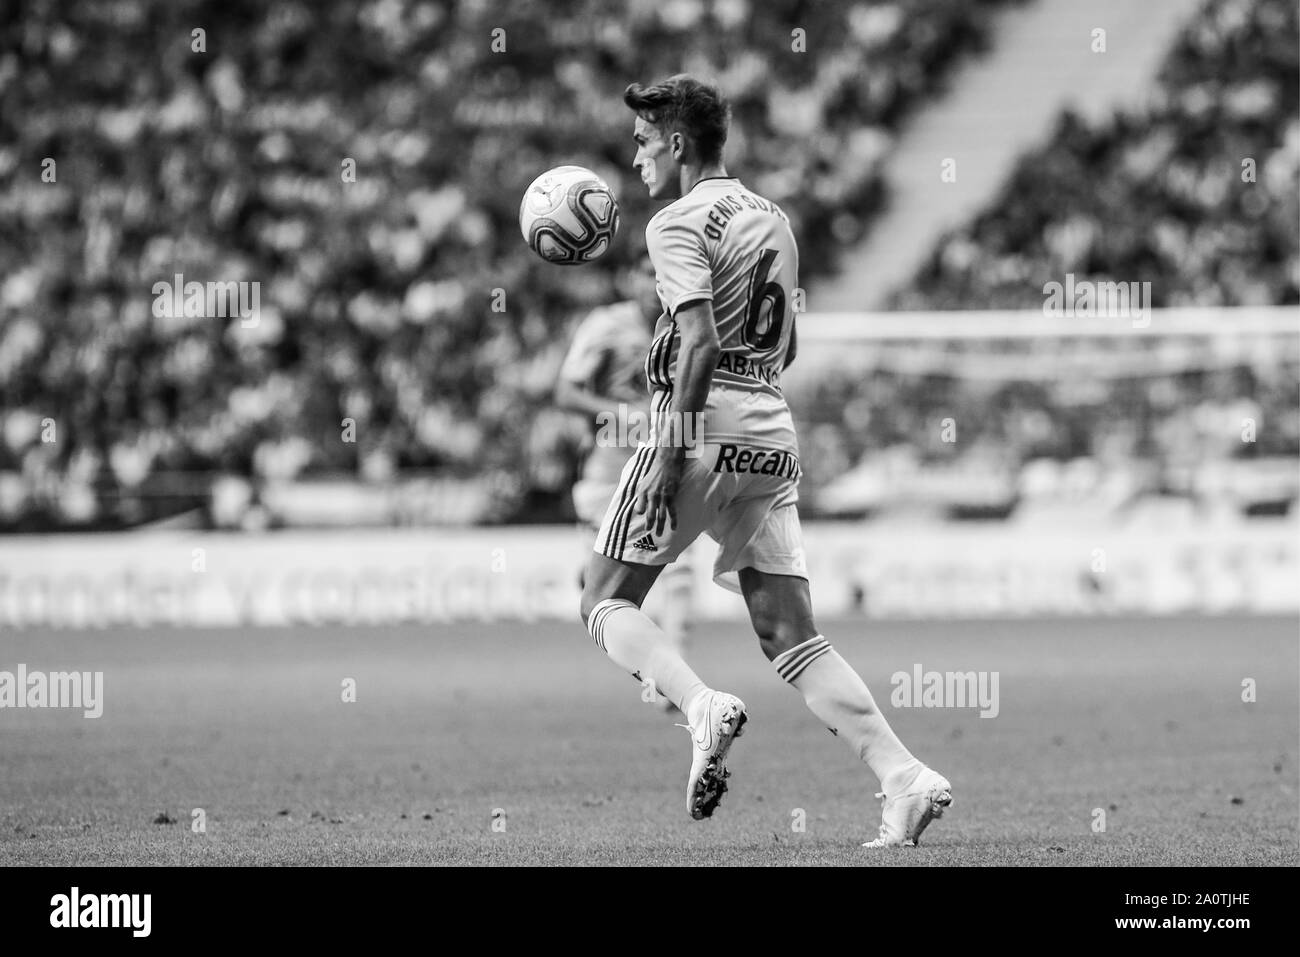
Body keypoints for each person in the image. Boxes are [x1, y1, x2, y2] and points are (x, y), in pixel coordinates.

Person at [578, 74, 952, 846]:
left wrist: (666, 456)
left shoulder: (674, 223)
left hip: (703, 423)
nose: (637, 155)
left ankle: (699, 704)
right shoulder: (773, 217)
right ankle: (904, 778)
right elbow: (786, 341)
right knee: (791, 634)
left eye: (645, 141)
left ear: (677, 143)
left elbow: (702, 343)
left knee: (603, 599)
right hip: (770, 428)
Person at [555, 269, 693, 711]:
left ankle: (675, 681)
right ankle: (654, 657)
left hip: (663, 465)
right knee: (599, 587)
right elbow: (566, 393)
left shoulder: (689, 323)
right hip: (606, 469)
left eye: (663, 274)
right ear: (631, 278)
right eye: (647, 273)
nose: (656, 282)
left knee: (677, 572)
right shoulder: (606, 324)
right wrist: (620, 414)